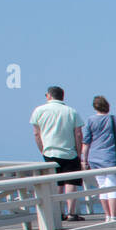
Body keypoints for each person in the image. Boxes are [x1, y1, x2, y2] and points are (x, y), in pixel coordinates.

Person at [30, 86, 86, 220]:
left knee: (56, 183)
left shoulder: (39, 111)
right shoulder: (71, 112)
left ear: (49, 96)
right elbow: (78, 134)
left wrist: (42, 149)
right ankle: (71, 213)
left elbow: (36, 133)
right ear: (62, 96)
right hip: (69, 152)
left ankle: (58, 212)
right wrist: (79, 153)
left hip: (49, 152)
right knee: (70, 182)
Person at [80, 96, 116, 221]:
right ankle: (114, 216)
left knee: (102, 187)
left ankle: (107, 215)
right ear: (108, 106)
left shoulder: (90, 121)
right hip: (112, 158)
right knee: (113, 186)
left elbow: (86, 143)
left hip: (95, 158)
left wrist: (84, 160)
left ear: (95, 107)